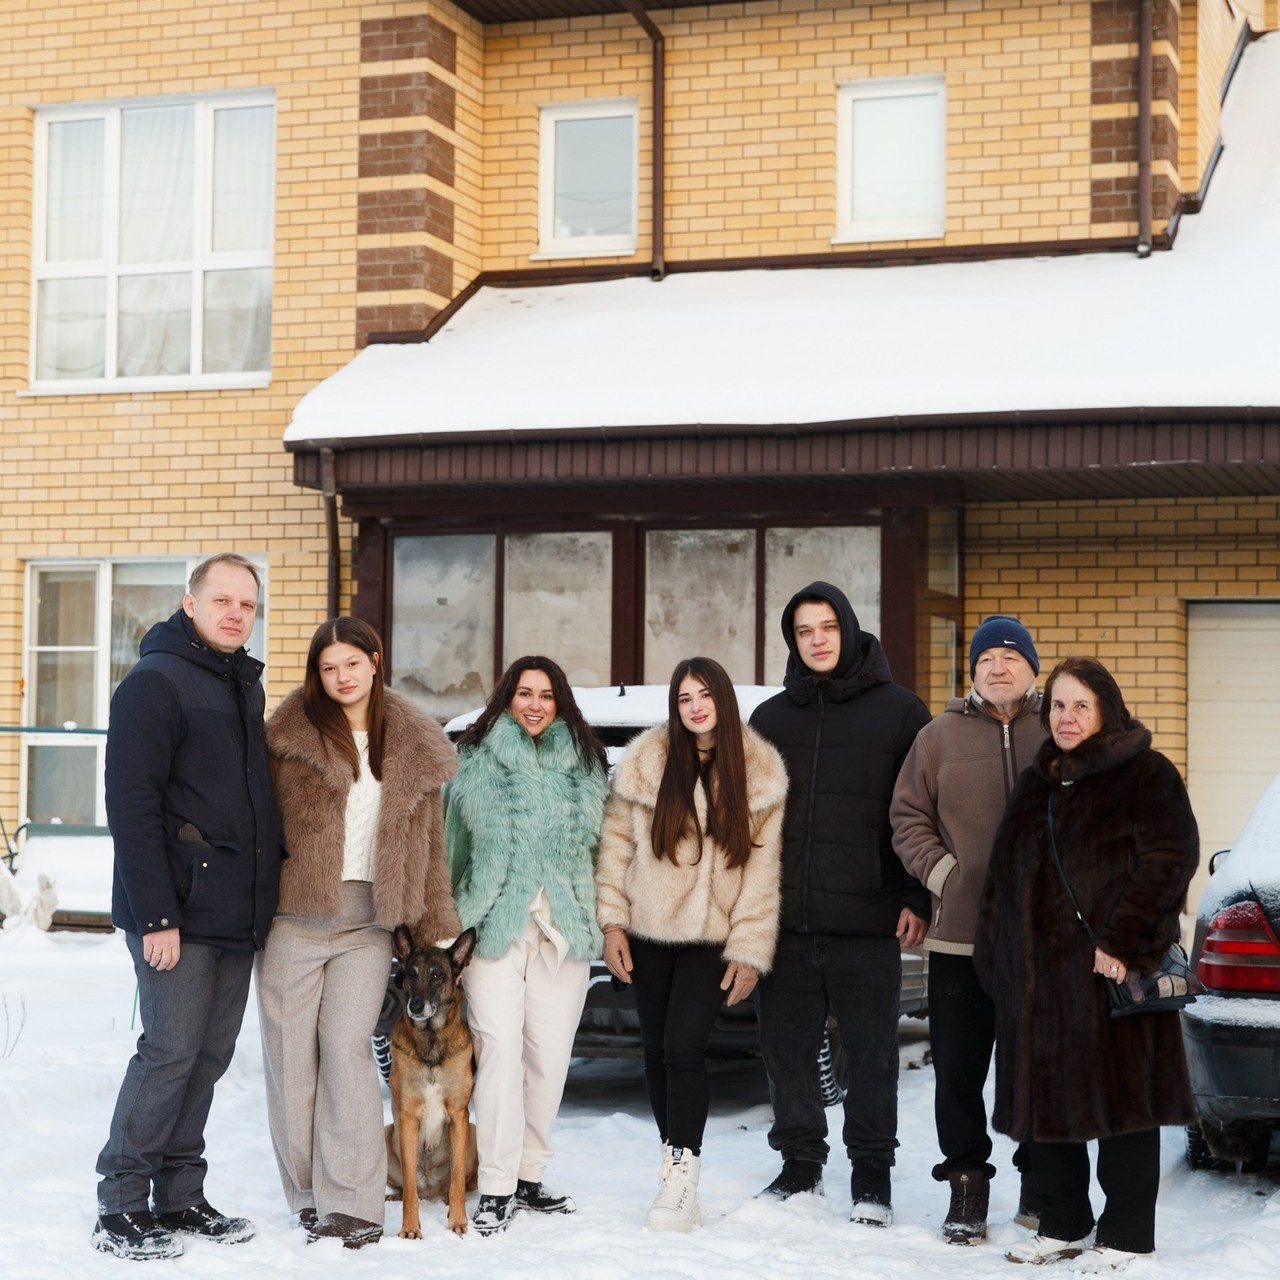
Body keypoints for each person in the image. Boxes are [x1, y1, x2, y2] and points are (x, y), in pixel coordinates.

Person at [973, 657, 1199, 1271]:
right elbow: (1003, 877)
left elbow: (1170, 860)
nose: (1066, 718)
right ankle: (1063, 1223)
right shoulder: (1038, 782)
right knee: (1048, 1106)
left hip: (1113, 976)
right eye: (1058, 705)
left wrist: (1124, 942)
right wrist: (996, 958)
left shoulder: (1145, 773)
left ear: (1106, 711)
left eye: (1081, 706)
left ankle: (1126, 1234)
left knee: (1125, 1106)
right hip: (1039, 983)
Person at [93, 554, 283, 1260]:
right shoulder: (155, 681)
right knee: (169, 1052)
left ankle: (178, 1195)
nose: (236, 613)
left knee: (208, 1056)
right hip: (176, 909)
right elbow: (131, 804)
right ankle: (120, 1202)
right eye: (222, 600)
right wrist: (156, 917)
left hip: (234, 909)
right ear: (191, 603)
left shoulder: (241, 685)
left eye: (247, 604)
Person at [259, 617, 460, 1248]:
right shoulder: (287, 739)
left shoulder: (413, 744)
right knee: (291, 1060)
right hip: (293, 917)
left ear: (375, 660)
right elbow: (258, 828)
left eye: (352, 663)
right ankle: (308, 1196)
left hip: (369, 920)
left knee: (346, 1051)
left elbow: (430, 847)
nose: (341, 677)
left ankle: (350, 1202)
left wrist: (436, 927)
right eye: (328, 668)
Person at [750, 581, 931, 1226]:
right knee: (787, 1053)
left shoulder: (901, 713)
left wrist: (916, 894)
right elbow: (749, 821)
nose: (818, 640)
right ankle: (800, 1164)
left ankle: (872, 1176)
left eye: (827, 627)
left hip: (867, 917)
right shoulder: (770, 719)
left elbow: (921, 813)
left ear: (849, 629)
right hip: (786, 922)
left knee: (873, 1056)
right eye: (804, 631)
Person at [596, 657, 786, 1232]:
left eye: (704, 695)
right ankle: (672, 1167)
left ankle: (684, 1176)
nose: (695, 707)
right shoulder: (647, 762)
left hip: (713, 934)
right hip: (648, 930)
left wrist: (749, 951)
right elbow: (615, 848)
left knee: (683, 1047)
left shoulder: (759, 772)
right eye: (684, 698)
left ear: (722, 700)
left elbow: (762, 873)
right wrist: (612, 925)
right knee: (655, 1052)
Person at [891, 615, 1045, 1244]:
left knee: (1034, 1067)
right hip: (959, 936)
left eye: (1011, 657)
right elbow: (907, 817)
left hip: (1040, 939)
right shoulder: (938, 737)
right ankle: (966, 1184)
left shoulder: (1059, 728)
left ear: (1032, 667)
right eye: (986, 659)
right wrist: (944, 874)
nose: (998, 667)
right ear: (972, 670)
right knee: (958, 1071)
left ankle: (1041, 1184)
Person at [446, 656, 610, 1236]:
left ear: (560, 702)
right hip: (492, 928)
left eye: (545, 695)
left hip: (563, 929)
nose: (535, 705)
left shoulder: (587, 765)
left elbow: (602, 855)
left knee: (550, 1058)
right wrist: (444, 940)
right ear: (506, 698)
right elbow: (451, 851)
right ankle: (495, 1183)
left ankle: (529, 1174)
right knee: (498, 1050)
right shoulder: (472, 760)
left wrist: (606, 922)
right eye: (524, 693)